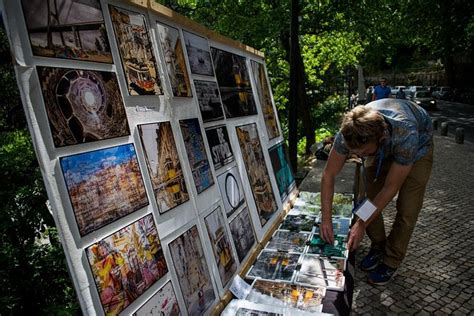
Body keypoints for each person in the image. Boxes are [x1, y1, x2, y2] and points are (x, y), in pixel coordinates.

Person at [320, 99, 433, 285]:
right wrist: (326, 218)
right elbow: (329, 174)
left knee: (407, 208)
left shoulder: (407, 134)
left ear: (380, 140)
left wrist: (361, 224)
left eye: (362, 153)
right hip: (382, 146)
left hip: (418, 150)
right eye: (353, 152)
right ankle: (378, 245)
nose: (358, 157)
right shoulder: (349, 132)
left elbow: (390, 188)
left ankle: (391, 259)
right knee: (368, 200)